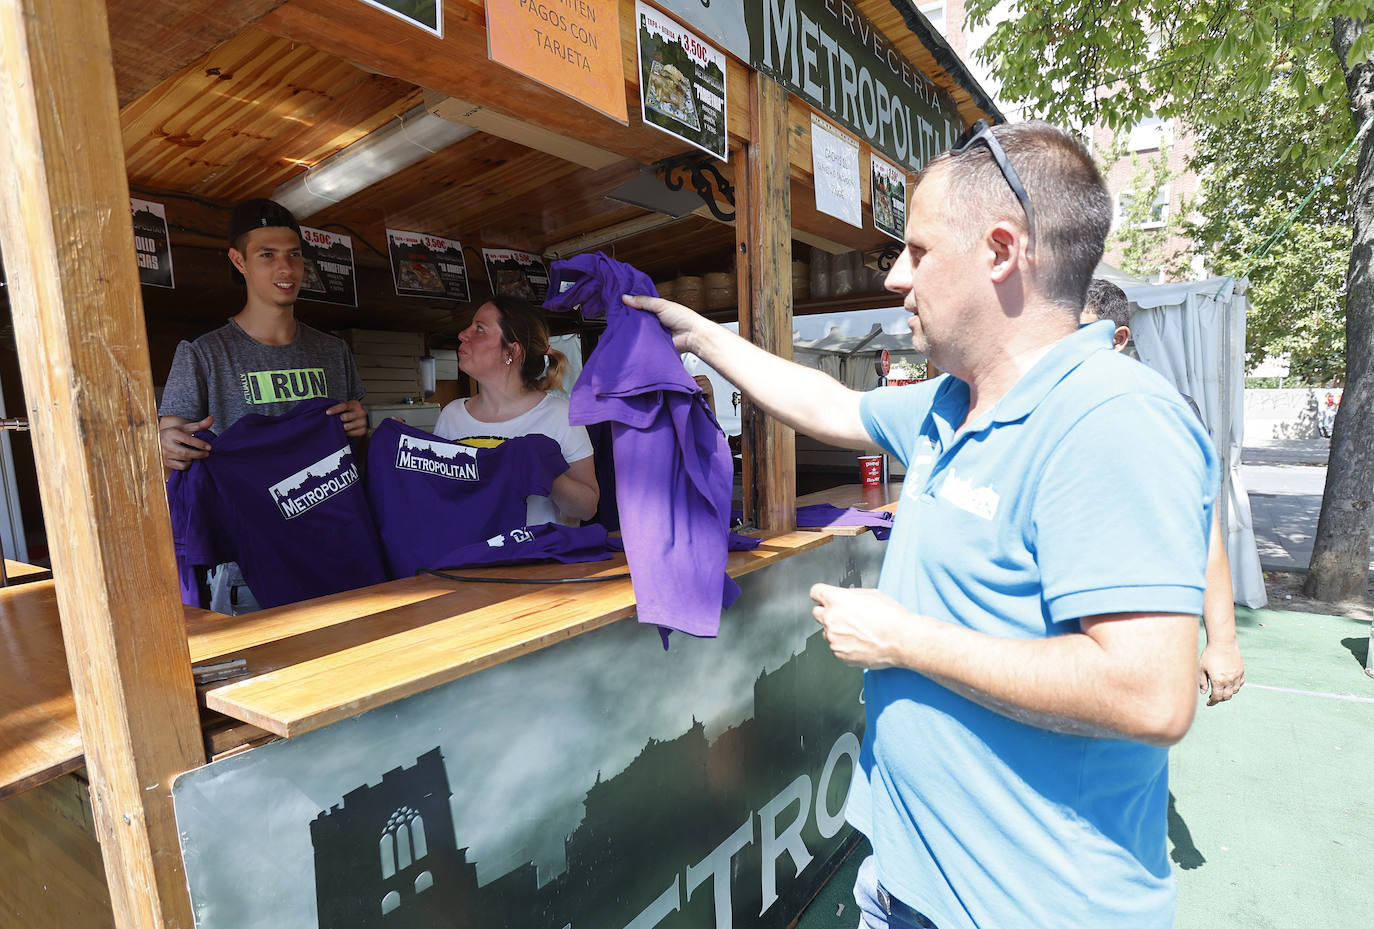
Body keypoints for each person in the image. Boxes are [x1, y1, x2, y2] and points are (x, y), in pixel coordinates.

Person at [627, 121, 1217, 929]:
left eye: (919, 250)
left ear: (1002, 252)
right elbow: (827, 403)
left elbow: (1151, 694)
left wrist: (905, 640)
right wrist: (697, 336)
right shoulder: (951, 402)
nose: (898, 276)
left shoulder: (1111, 417)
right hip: (910, 886)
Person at [158, 198, 367, 614]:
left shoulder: (334, 352)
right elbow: (168, 459)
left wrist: (362, 427)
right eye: (267, 256)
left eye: (293, 256)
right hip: (247, 555)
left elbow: (357, 450)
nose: (285, 270)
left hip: (331, 542)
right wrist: (165, 446)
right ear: (239, 261)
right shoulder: (203, 355)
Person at [1082, 279, 1245, 704]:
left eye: (1078, 335)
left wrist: (1222, 641)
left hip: (1142, 634)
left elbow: (1203, 534)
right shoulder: (1032, 407)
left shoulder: (1167, 413)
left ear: (1119, 340)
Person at [434, 297, 598, 525]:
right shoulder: (451, 415)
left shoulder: (560, 415)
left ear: (511, 351)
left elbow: (587, 508)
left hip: (540, 558)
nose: (462, 334)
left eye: (479, 329)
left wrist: (545, 471)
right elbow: (440, 497)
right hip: (470, 559)